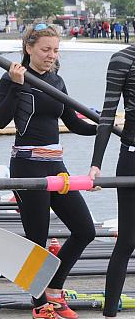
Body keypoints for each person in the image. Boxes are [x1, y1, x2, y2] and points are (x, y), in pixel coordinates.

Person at [0, 23, 97, 319]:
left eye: (55, 50)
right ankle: (39, 304)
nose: (52, 55)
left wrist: (103, 127)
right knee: (37, 239)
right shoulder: (13, 76)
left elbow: (73, 124)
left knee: (84, 230)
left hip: (56, 166)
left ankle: (54, 289)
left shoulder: (57, 81)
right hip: (27, 166)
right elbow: (0, 120)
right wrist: (15, 84)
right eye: (46, 49)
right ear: (29, 49)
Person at [88, 43, 135, 318]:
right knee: (128, 240)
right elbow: (107, 115)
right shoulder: (123, 59)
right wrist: (96, 164)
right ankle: (109, 312)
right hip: (131, 156)